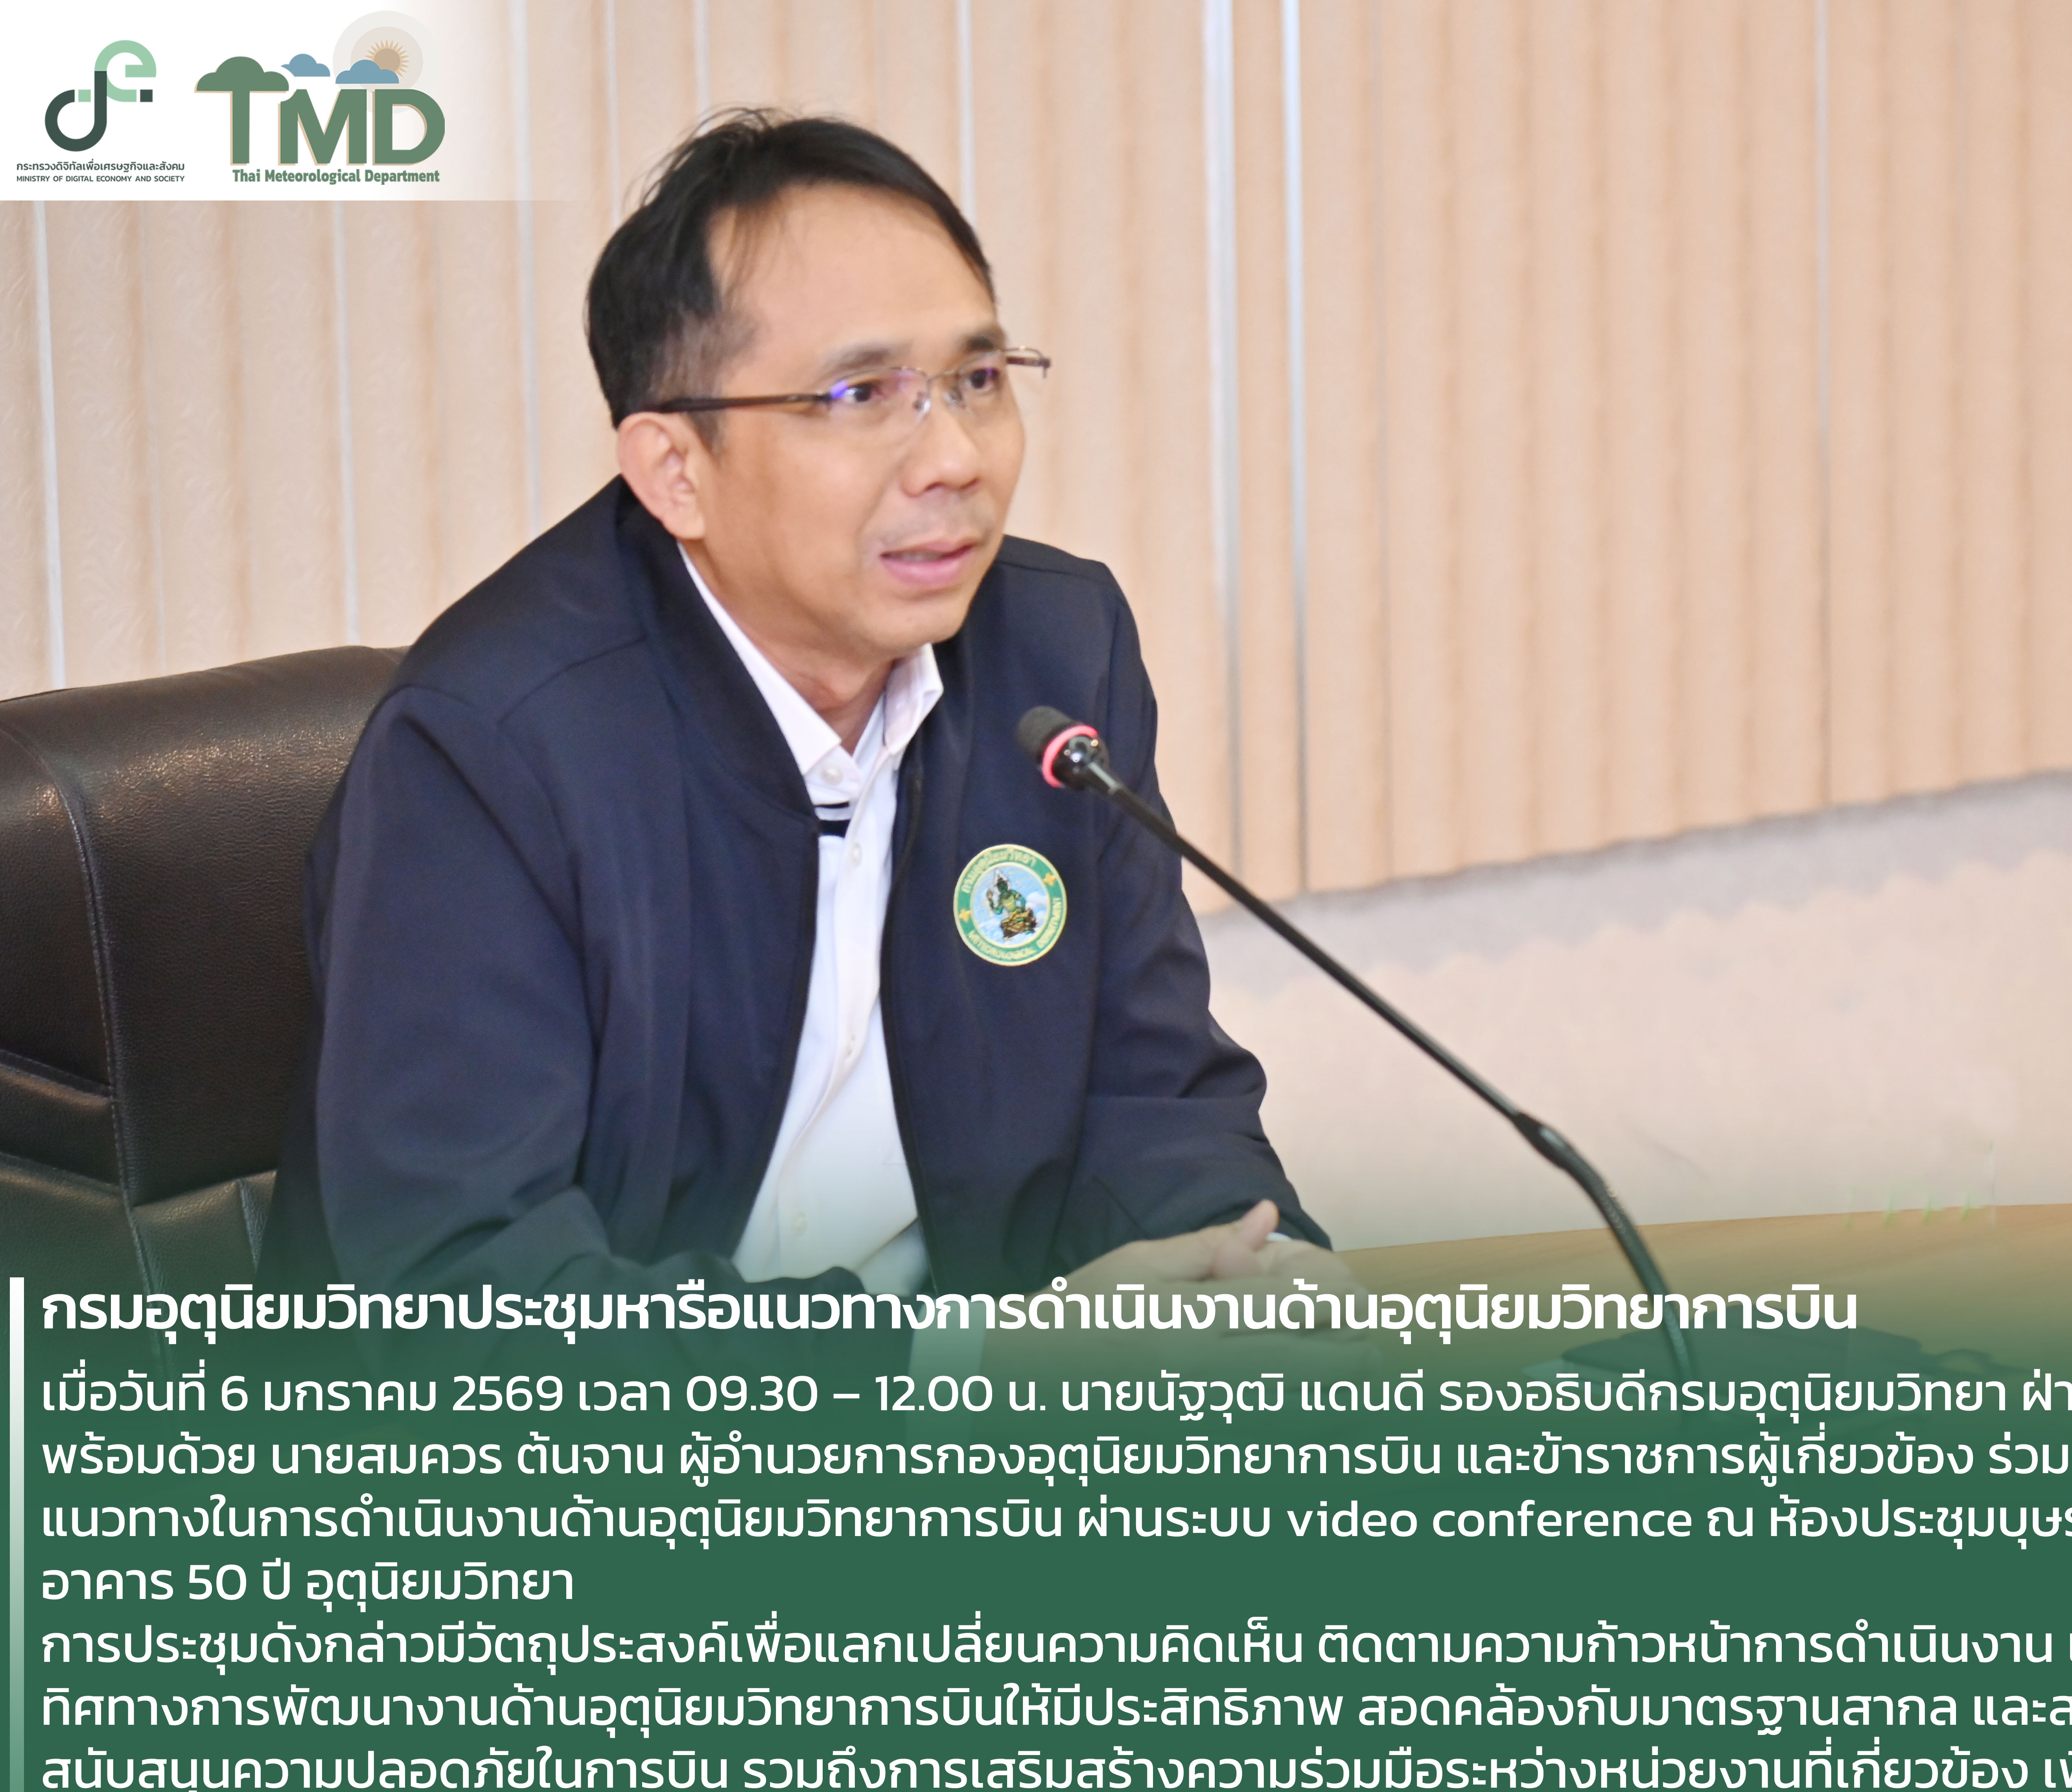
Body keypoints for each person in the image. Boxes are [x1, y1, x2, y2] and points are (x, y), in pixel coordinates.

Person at [260, 113, 1346, 1373]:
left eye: (977, 381)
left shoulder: (1054, 660)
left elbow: (1150, 1099)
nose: (954, 459)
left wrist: (1251, 1272)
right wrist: (966, 1365)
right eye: (861, 396)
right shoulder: (491, 752)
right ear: (675, 470)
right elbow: (469, 1291)